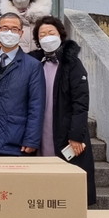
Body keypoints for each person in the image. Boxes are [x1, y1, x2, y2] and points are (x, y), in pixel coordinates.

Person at [31, 15, 97, 206]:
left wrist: (76, 135)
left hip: (65, 130)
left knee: (66, 176)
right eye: (42, 34)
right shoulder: (35, 62)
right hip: (41, 127)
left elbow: (81, 102)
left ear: (60, 34)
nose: (47, 37)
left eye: (51, 32)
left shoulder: (72, 63)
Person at [0, 13, 45, 155]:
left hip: (15, 138)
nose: (9, 33)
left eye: (14, 29)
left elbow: (36, 105)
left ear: (21, 33)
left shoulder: (33, 65)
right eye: (4, 28)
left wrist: (31, 139)